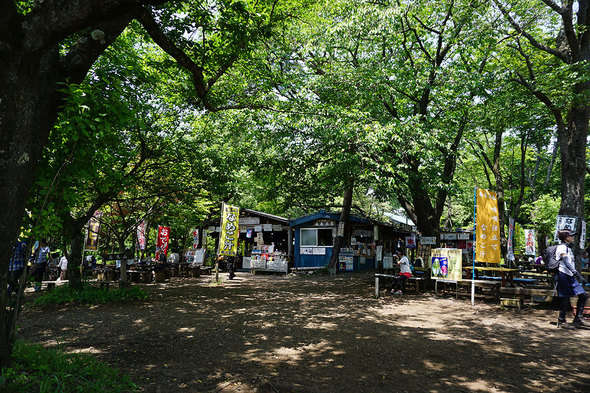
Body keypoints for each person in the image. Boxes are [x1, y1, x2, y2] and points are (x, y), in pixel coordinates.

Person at [555, 230, 589, 329]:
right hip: (563, 275)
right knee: (565, 298)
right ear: (565, 237)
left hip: (569, 275)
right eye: (571, 235)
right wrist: (577, 274)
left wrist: (574, 274)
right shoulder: (561, 247)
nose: (573, 237)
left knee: (583, 295)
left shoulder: (567, 247)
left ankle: (578, 319)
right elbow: (566, 261)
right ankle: (561, 321)